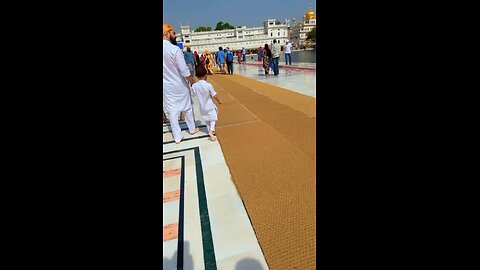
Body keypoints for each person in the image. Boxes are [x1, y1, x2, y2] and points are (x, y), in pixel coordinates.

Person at [163, 23, 200, 144]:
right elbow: (184, 71)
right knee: (187, 108)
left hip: (167, 87)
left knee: (172, 111)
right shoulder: (174, 49)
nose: (175, 35)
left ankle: (177, 137)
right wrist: (193, 82)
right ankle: (192, 129)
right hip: (180, 85)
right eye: (173, 33)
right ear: (166, 33)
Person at [191, 65, 222, 141]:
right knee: (213, 118)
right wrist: (219, 100)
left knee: (207, 119)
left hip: (202, 106)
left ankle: (209, 131)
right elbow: (214, 95)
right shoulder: (208, 85)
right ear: (205, 75)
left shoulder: (195, 86)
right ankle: (211, 131)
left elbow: (192, 94)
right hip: (210, 105)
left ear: (196, 76)